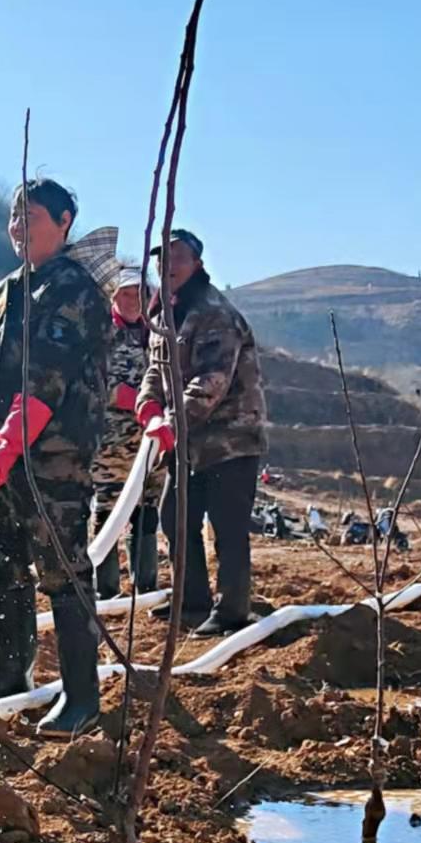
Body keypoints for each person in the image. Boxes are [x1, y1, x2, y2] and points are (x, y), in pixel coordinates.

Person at [0, 180, 115, 736]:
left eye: (34, 215)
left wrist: (9, 446)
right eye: (15, 215)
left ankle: (81, 698)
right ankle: (6, 677)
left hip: (52, 457)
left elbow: (47, 379)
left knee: (63, 571)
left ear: (65, 221)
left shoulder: (76, 290)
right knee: (2, 566)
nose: (20, 225)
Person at [137, 229, 269, 636]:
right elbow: (156, 371)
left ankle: (232, 611)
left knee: (227, 527)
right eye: (162, 259)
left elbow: (212, 381)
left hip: (230, 439)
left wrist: (170, 424)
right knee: (175, 517)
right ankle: (190, 602)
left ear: (196, 263)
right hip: (188, 440)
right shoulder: (164, 313)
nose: (168, 266)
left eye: (177, 258)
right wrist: (148, 405)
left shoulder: (214, 313)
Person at [89, 268, 161, 598]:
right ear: (114, 297)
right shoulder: (99, 334)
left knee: (147, 509)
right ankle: (106, 589)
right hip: (110, 445)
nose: (135, 301)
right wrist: (138, 402)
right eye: (127, 293)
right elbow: (96, 386)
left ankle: (145, 585)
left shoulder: (157, 335)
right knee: (108, 510)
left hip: (150, 443)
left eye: (141, 294)